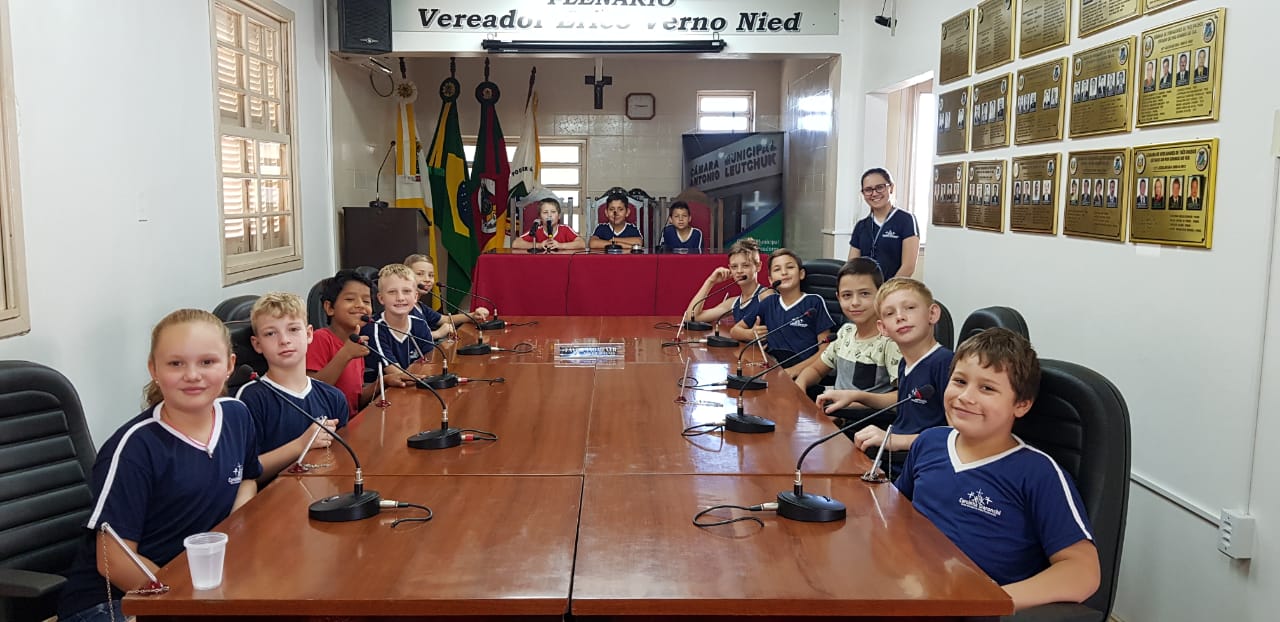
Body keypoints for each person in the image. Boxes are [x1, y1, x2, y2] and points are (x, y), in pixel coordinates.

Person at [56, 309, 262, 622]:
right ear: (154, 369)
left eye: (207, 362)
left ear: (230, 365)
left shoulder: (236, 414)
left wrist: (235, 529)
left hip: (199, 585)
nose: (192, 375)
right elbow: (114, 559)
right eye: (175, 363)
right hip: (119, 600)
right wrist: (185, 602)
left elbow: (248, 478)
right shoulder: (134, 448)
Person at [895, 329, 1100, 611]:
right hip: (908, 586)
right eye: (959, 381)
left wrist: (989, 601)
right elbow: (896, 511)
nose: (965, 397)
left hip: (965, 608)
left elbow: (1083, 572)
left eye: (987, 388)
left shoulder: (1038, 473)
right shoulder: (929, 441)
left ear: (1021, 404)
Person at [818, 278, 951, 468]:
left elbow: (958, 434)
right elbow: (903, 402)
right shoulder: (905, 363)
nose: (900, 317)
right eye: (890, 313)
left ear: (932, 314)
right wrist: (855, 395)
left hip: (923, 463)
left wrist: (896, 440)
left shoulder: (946, 364)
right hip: (894, 457)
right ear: (883, 328)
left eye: (910, 308)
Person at [236, 292, 348, 481]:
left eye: (293, 329)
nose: (284, 340)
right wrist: (301, 445)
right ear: (257, 344)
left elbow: (343, 458)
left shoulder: (333, 397)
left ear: (309, 334)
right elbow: (244, 474)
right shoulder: (250, 399)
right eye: (271, 333)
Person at [307, 269, 412, 418]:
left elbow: (354, 400)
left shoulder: (357, 343)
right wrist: (346, 354)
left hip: (350, 424)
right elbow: (312, 390)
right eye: (350, 299)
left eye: (366, 301)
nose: (360, 305)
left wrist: (384, 381)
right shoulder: (320, 339)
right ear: (329, 308)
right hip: (326, 430)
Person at [794, 258, 902, 400]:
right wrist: (800, 385)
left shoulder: (890, 341)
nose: (855, 303)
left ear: (881, 295)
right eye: (847, 295)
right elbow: (816, 369)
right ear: (838, 298)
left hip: (866, 418)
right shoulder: (846, 332)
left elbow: (903, 396)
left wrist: (853, 402)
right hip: (832, 413)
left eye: (864, 294)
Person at [734, 249, 836, 378]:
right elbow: (735, 330)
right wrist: (750, 334)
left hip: (804, 372)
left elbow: (826, 349)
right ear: (771, 280)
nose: (784, 272)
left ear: (801, 274)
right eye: (777, 269)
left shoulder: (813, 302)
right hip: (771, 370)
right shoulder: (769, 302)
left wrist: (794, 370)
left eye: (790, 267)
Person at [360, 263, 436, 373]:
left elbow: (431, 362)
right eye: (392, 292)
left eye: (406, 291)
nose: (400, 298)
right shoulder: (374, 329)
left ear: (415, 297)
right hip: (389, 388)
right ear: (381, 298)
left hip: (417, 383)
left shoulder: (420, 324)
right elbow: (396, 374)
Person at [848, 168, 919, 280]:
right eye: (868, 190)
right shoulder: (861, 226)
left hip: (893, 291)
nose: (874, 193)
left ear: (891, 188)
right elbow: (852, 266)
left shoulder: (906, 220)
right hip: (866, 292)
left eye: (880, 187)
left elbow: (908, 267)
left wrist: (886, 293)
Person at [686, 237, 772, 330]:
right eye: (734, 267)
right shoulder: (733, 302)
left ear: (758, 266)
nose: (739, 271)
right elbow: (692, 317)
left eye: (745, 265)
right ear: (729, 268)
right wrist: (710, 281)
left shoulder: (766, 295)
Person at [404, 253, 491, 329]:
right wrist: (439, 333)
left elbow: (444, 319)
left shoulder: (419, 306)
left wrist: (472, 315)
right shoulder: (403, 306)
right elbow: (411, 336)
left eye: (431, 275)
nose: (427, 279)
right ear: (405, 276)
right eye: (419, 274)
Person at [512, 197, 585, 252]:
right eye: (545, 212)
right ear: (540, 217)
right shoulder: (536, 230)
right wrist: (539, 245)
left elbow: (582, 243)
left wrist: (560, 245)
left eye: (553, 212)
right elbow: (515, 243)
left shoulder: (565, 229)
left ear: (559, 216)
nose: (549, 215)